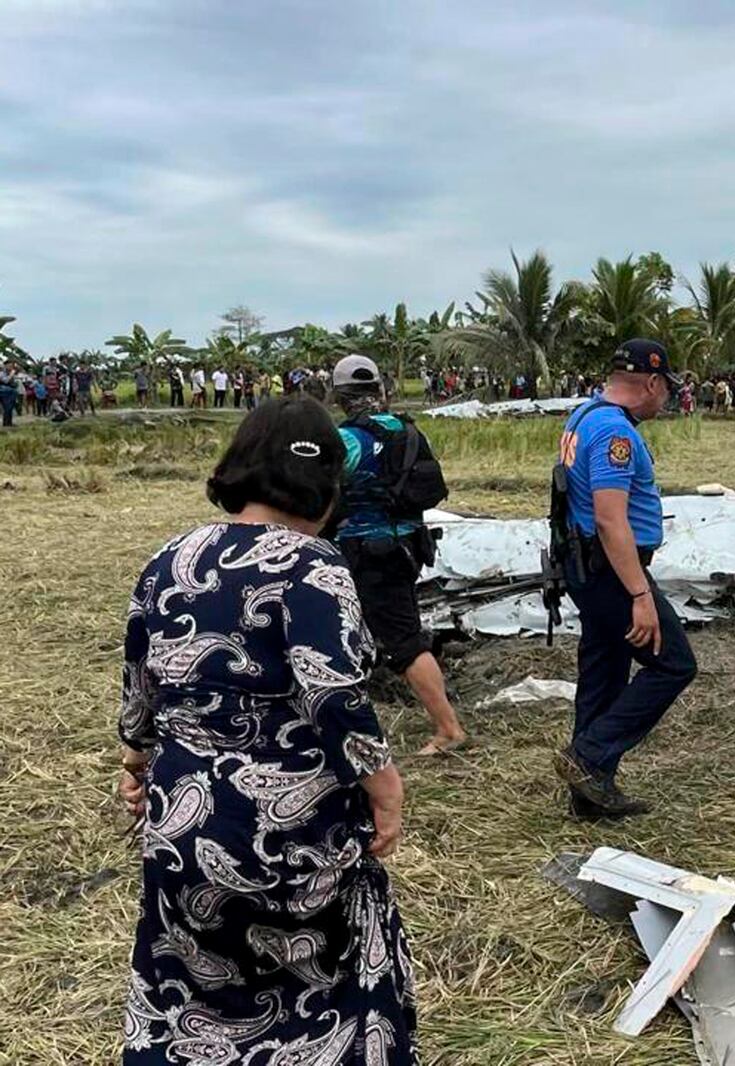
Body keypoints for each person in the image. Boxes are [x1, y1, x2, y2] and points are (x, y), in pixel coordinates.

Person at [118, 397, 417, 1063]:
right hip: (285, 838)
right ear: (327, 485)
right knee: (316, 993)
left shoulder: (170, 557)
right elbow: (335, 696)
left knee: (188, 993)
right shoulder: (314, 567)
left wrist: (139, 766)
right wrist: (385, 785)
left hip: (180, 824)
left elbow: (139, 690)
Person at [552, 339, 696, 818]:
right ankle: (589, 757)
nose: (667, 399)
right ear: (651, 383)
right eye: (666, 389)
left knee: (604, 672)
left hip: (587, 568)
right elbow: (612, 520)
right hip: (612, 571)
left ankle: (590, 796)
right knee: (674, 664)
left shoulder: (583, 416)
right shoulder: (615, 434)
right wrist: (640, 594)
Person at [329, 355, 466, 757]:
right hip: (407, 545)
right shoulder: (407, 431)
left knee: (404, 641)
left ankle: (449, 729)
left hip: (367, 552)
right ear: (379, 390)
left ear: (340, 397)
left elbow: (325, 495)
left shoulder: (347, 441)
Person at [0, 361, 17, 426]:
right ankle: (6, 423)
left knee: (10, 408)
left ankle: (9, 423)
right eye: (9, 365)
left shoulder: (11, 373)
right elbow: (6, 381)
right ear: (5, 366)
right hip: (4, 392)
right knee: (7, 408)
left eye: (11, 366)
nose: (10, 367)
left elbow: (14, 383)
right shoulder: (1, 373)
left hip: (11, 392)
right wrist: (11, 374)